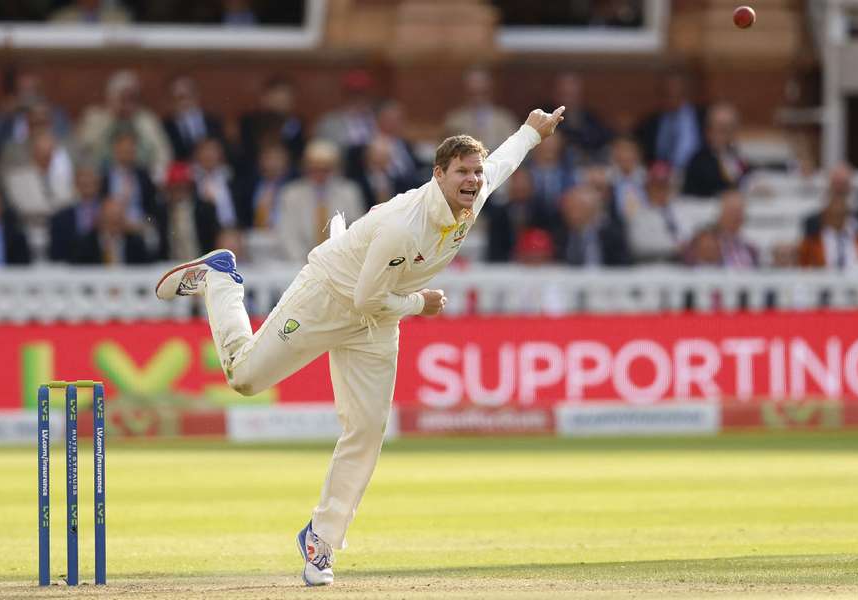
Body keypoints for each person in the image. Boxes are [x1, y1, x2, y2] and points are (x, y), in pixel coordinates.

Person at [154, 106, 565, 587]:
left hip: (375, 319)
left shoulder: (473, 192)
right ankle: (221, 278)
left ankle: (320, 540)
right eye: (462, 173)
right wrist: (420, 302)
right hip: (329, 297)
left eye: (475, 173)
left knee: (367, 430)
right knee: (244, 378)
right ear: (439, 176)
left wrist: (531, 133)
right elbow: (366, 296)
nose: (474, 180)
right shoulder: (405, 226)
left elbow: (503, 160)